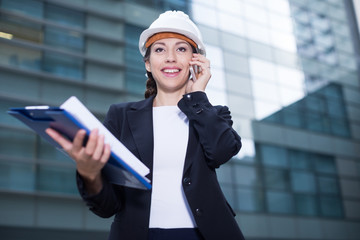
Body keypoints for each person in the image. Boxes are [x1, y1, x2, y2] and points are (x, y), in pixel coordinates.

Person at [46, 10, 245, 240]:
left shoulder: (212, 114)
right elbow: (108, 206)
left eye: (181, 48)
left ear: (195, 61)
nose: (170, 57)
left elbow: (221, 152)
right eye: (160, 49)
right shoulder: (121, 116)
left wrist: (198, 95)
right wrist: (90, 174)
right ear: (148, 64)